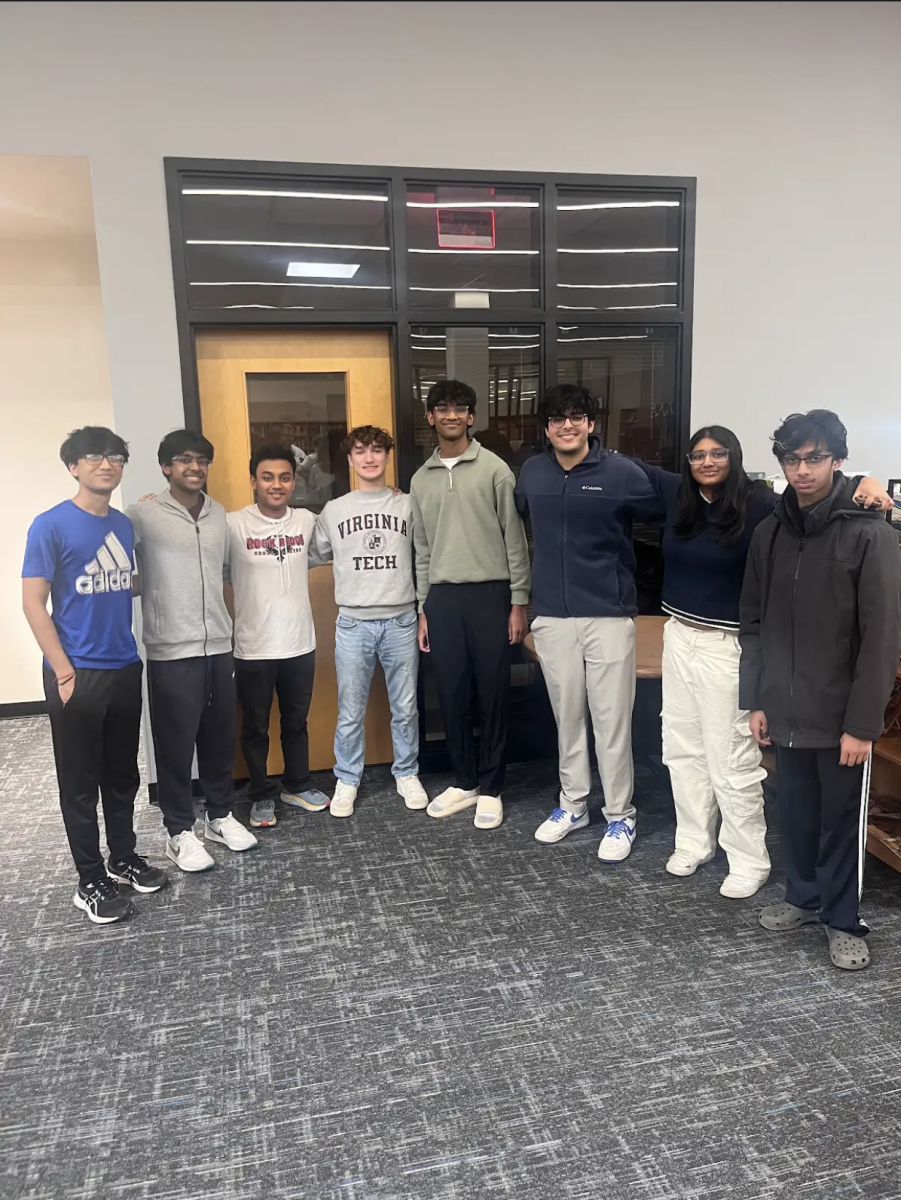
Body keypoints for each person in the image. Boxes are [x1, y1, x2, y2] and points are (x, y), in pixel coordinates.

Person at [633, 427, 891, 898]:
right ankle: (693, 840)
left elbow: (812, 492)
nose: (707, 462)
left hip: (727, 645)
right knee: (681, 747)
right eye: (697, 455)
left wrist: (864, 478)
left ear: (734, 457)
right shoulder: (679, 495)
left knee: (730, 757)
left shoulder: (759, 502)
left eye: (718, 454)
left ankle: (747, 857)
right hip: (680, 636)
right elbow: (624, 465)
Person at [740, 409, 901, 971]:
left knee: (840, 820)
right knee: (799, 814)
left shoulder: (869, 534)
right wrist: (756, 698)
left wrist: (863, 724)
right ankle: (804, 898)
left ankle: (842, 917)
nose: (802, 470)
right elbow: (753, 621)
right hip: (784, 709)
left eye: (814, 458)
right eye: (792, 459)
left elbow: (882, 639)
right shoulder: (769, 531)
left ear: (838, 460)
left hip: (841, 717)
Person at [22, 426, 166, 924]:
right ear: (73, 466)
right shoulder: (51, 525)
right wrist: (63, 669)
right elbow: (32, 602)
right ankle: (90, 880)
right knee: (80, 784)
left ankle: (122, 857)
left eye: (115, 457)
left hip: (124, 666)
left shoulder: (123, 525)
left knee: (122, 774)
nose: (107, 464)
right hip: (77, 674)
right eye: (94, 457)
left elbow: (121, 585)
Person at [515, 385, 666, 863]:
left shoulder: (622, 472)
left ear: (591, 424)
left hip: (607, 613)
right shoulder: (533, 472)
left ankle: (620, 814)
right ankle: (573, 804)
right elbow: (519, 517)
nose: (567, 426)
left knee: (612, 719)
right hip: (553, 616)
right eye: (558, 419)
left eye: (576, 417)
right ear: (546, 428)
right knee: (567, 717)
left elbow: (675, 504)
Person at [128, 430, 258, 872]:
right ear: (166, 467)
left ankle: (219, 816)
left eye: (202, 460)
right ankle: (178, 830)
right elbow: (120, 568)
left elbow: (223, 571)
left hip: (218, 646)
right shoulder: (142, 514)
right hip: (170, 649)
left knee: (220, 738)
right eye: (184, 459)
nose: (195, 467)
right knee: (176, 744)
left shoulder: (220, 514)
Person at [411, 379, 530, 830]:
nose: (450, 415)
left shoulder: (496, 469)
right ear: (430, 418)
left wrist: (518, 603)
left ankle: (492, 786)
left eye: (459, 408)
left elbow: (514, 541)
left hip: (490, 594)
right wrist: (423, 607)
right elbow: (421, 549)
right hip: (441, 598)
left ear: (471, 417)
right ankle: (464, 780)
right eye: (442, 408)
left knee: (493, 692)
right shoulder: (420, 479)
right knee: (452, 692)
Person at [313, 425, 430, 816]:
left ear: (387, 456)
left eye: (377, 450)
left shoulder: (408, 504)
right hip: (353, 623)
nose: (369, 458)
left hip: (401, 619)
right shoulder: (335, 510)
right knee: (350, 709)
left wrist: (422, 610)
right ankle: (347, 779)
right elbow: (313, 551)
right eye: (360, 451)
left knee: (406, 706)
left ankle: (407, 772)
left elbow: (425, 557)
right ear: (349, 460)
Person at [225, 444, 331, 829]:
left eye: (284, 477)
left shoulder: (306, 520)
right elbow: (213, 565)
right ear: (253, 481)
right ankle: (260, 793)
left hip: (299, 641)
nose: (276, 485)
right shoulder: (234, 525)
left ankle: (297, 783)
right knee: (254, 725)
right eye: (267, 477)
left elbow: (340, 533)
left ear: (293, 482)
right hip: (252, 644)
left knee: (296, 721)